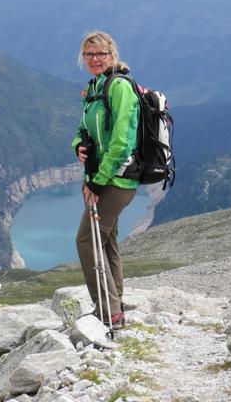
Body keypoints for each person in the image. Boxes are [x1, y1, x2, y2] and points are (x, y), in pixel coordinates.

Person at [71, 31, 140, 329]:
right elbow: (82, 129)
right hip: (102, 177)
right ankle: (116, 307)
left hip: (117, 180)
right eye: (89, 54)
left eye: (101, 53)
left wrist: (98, 182)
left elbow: (122, 141)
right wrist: (78, 145)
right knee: (107, 241)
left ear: (112, 54)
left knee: (87, 240)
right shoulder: (95, 87)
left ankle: (107, 311)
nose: (95, 59)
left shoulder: (119, 87)